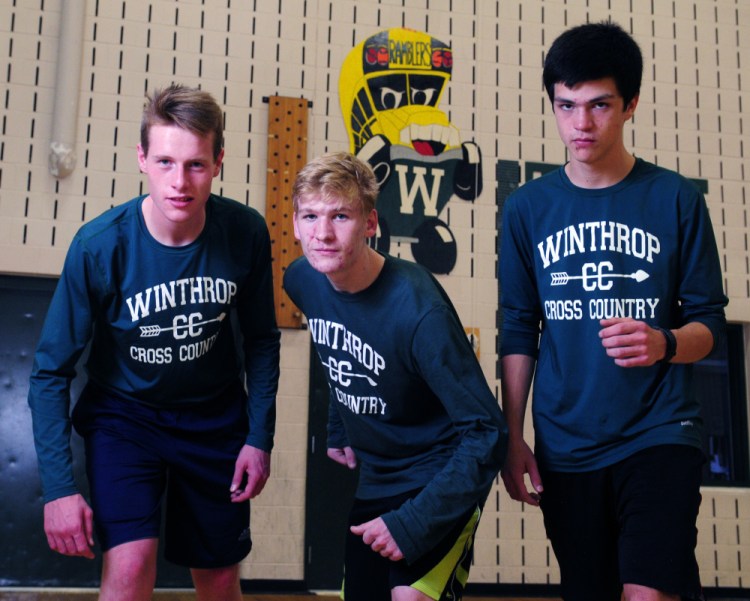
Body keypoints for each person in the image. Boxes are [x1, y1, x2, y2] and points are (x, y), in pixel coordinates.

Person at [499, 21, 728, 601]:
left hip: (660, 431)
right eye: (566, 105)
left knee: (647, 593)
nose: (581, 123)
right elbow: (520, 328)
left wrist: (665, 343)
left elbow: (710, 324)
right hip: (566, 442)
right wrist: (513, 435)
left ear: (630, 105)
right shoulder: (527, 209)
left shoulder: (676, 198)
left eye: (599, 105)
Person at [28, 84, 280, 601]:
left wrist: (259, 438)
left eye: (195, 165)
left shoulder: (246, 233)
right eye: (165, 161)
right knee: (129, 566)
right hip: (126, 418)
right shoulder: (100, 247)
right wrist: (58, 490)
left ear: (218, 162)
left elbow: (262, 341)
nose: (180, 182)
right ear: (142, 158)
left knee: (219, 577)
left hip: (214, 420)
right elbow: (49, 372)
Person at [283, 151, 507, 601]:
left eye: (340, 216)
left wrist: (415, 523)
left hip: (439, 476)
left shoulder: (419, 311)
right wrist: (338, 422)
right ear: (294, 223)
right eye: (310, 216)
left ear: (370, 224)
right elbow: (339, 343)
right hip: (377, 477)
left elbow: (487, 432)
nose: (322, 233)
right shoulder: (302, 280)